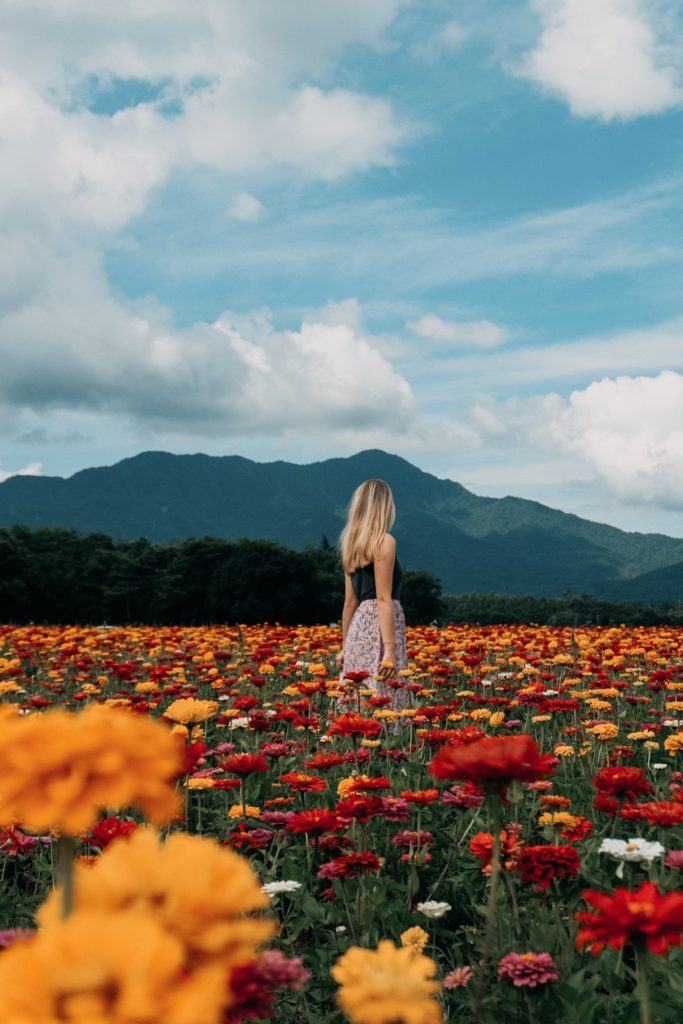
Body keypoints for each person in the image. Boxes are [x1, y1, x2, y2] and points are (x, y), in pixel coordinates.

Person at [334, 478, 410, 713]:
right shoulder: (384, 541)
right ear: (384, 506)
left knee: (359, 697)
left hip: (358, 628)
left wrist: (345, 647)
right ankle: (387, 746)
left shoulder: (350, 544)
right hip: (380, 625)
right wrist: (389, 648)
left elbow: (349, 602)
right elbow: (383, 598)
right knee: (385, 693)